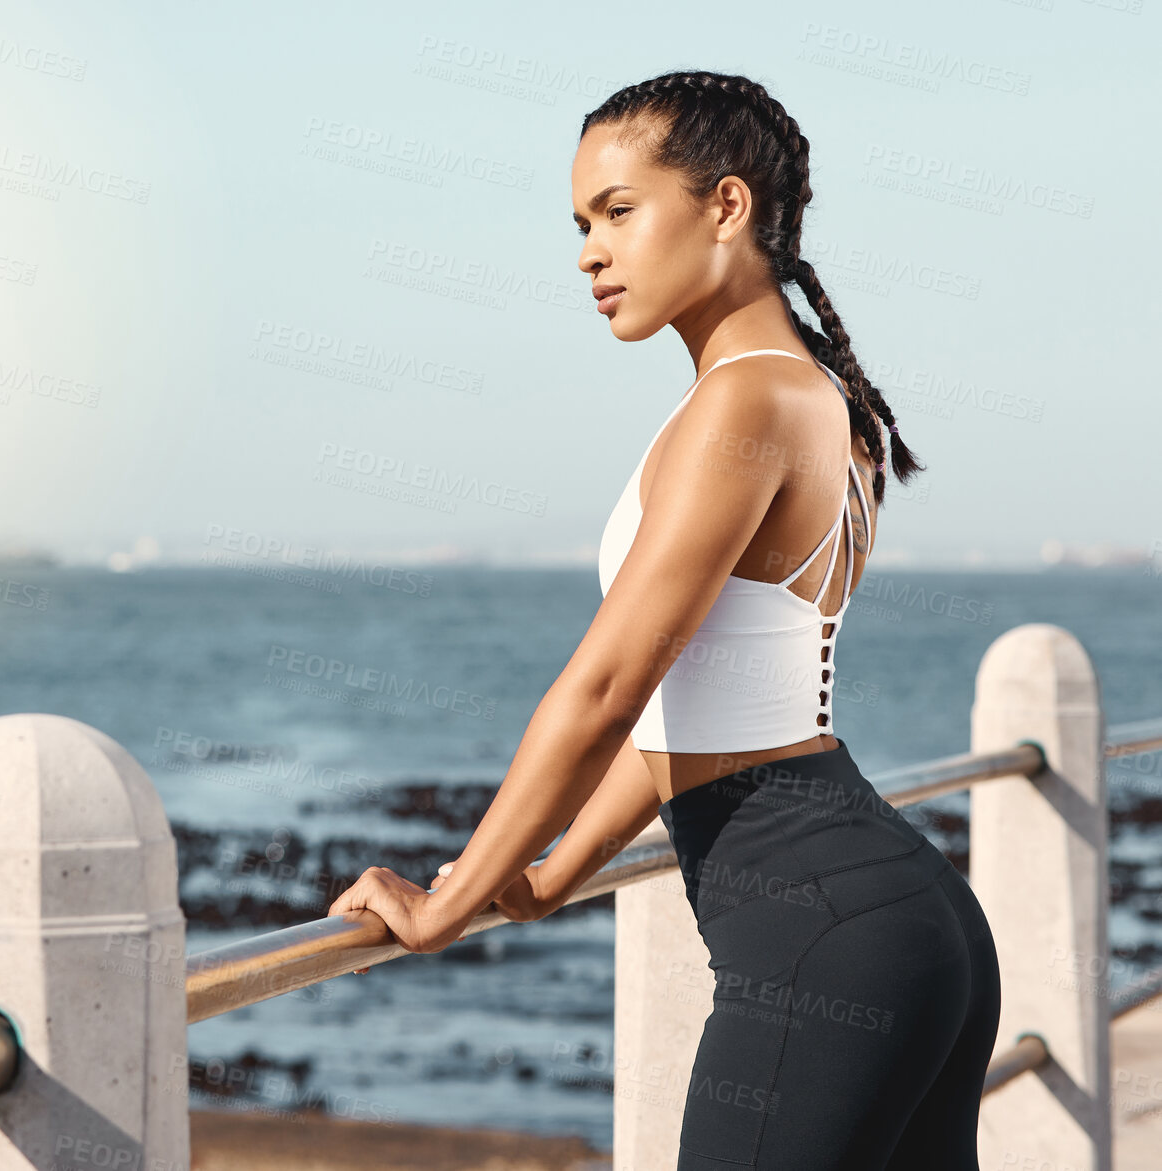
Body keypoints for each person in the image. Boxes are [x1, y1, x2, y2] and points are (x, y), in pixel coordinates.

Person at [326, 70, 1000, 1169]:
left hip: (820, 939)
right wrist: (542, 874)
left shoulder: (744, 403)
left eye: (620, 212)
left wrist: (449, 902)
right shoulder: (819, 398)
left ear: (726, 206)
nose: (589, 252)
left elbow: (609, 685)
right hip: (907, 920)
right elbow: (701, 702)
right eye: (582, 224)